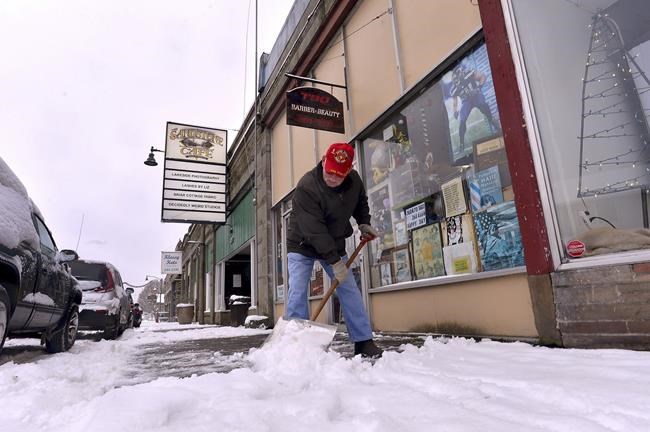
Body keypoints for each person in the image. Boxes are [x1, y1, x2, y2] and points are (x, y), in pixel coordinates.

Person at [286, 142, 383, 358]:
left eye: (338, 175)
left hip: (334, 241)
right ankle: (294, 347)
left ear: (348, 170)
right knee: (298, 291)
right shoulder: (307, 187)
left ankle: (363, 341)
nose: (332, 178)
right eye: (329, 172)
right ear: (323, 160)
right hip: (302, 242)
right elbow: (315, 231)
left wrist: (364, 222)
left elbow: (360, 202)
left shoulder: (354, 181)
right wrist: (335, 262)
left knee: (348, 288)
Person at [450, 63, 500, 152]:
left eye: (457, 78)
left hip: (476, 95)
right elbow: (455, 102)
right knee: (462, 121)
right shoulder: (454, 88)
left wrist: (478, 88)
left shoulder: (468, 74)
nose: (456, 81)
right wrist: (455, 111)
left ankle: (492, 121)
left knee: (484, 105)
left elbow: (482, 76)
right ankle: (462, 143)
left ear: (461, 73)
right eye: (455, 80)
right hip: (466, 101)